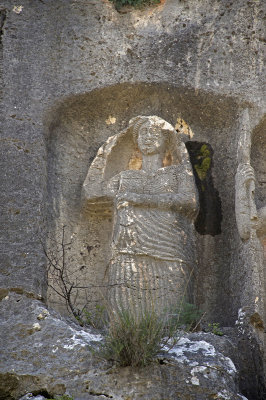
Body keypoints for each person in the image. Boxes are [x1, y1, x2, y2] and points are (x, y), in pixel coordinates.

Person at [103, 116, 199, 315]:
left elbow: (189, 202)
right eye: (142, 133)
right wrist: (104, 153)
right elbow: (92, 193)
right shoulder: (125, 176)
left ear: (166, 139)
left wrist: (137, 199)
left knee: (171, 314)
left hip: (168, 246)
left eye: (154, 132)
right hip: (129, 245)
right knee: (126, 312)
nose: (147, 137)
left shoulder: (178, 173)